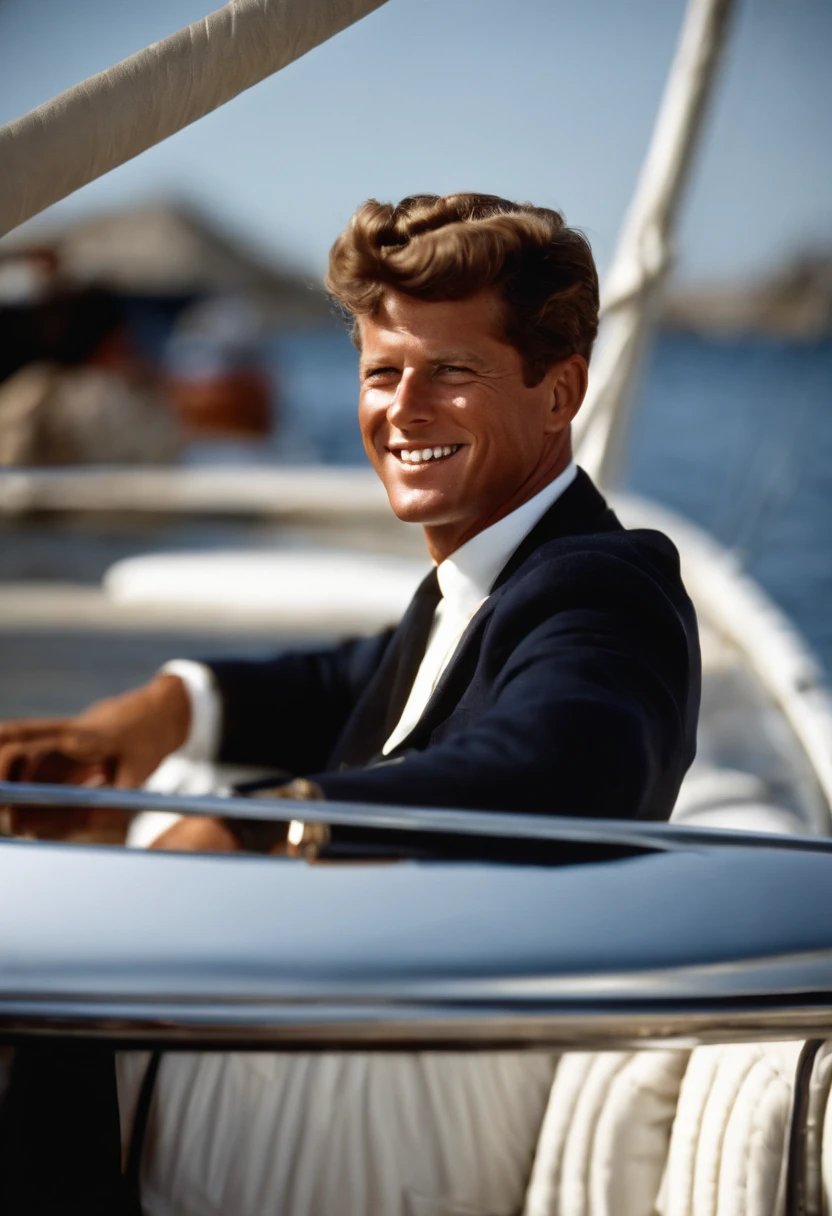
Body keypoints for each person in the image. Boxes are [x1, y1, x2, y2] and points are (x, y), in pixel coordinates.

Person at [0, 193, 701, 1216]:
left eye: (452, 373)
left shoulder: (602, 588)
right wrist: (160, 709)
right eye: (383, 372)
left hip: (415, 1102)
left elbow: (562, 761)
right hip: (381, 1046)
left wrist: (266, 832)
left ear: (561, 395)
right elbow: (346, 676)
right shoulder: (495, 580)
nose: (403, 410)